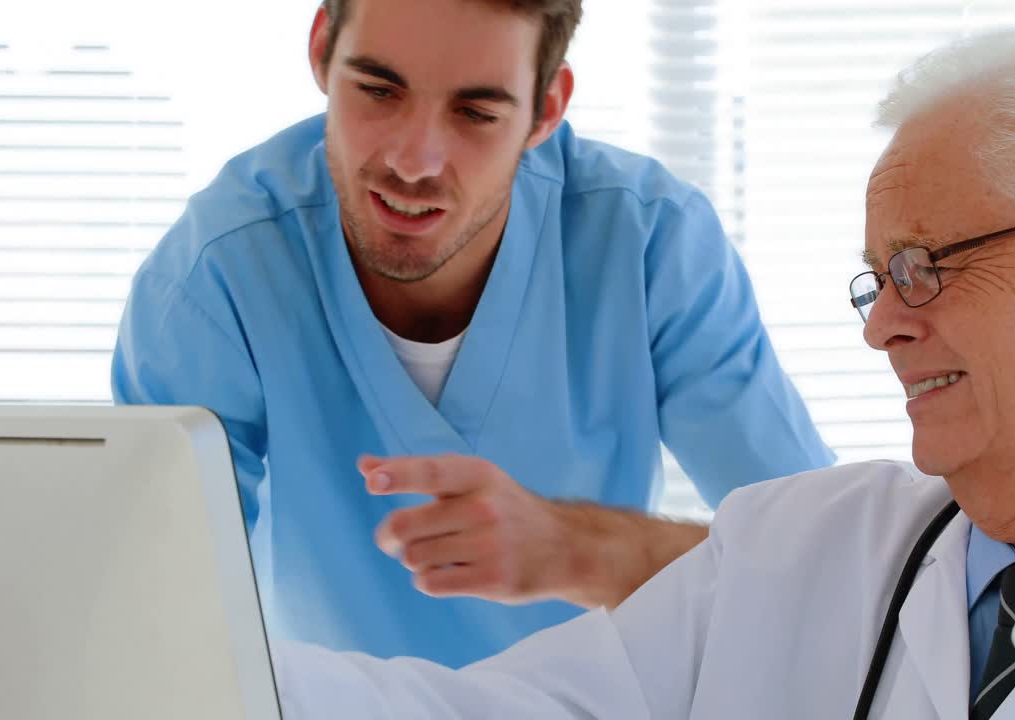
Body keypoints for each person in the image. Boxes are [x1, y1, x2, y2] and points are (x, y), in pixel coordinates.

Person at [268, 21, 1015, 719]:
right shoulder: (795, 549)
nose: (882, 328)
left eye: (926, 266)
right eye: (877, 281)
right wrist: (177, 651)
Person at [111, 0, 832, 668]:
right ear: (323, 50)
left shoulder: (651, 244)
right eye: (378, 90)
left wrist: (575, 549)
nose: (413, 161)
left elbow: (829, 565)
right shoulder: (218, 271)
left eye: (475, 112)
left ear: (545, 109)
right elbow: (157, 608)